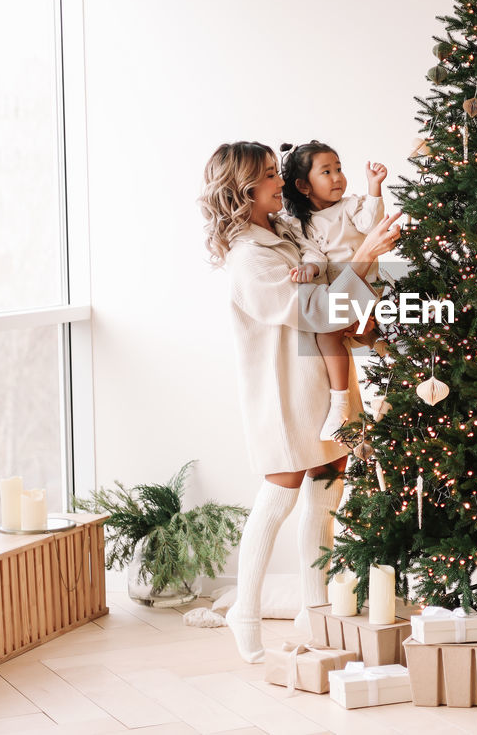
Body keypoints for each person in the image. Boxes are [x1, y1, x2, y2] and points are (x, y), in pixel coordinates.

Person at [198, 141, 402, 664]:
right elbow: (315, 311)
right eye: (270, 176)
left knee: (326, 490)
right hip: (286, 392)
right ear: (245, 191)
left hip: (327, 384)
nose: (280, 183)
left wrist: (358, 274)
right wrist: (364, 256)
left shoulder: (287, 231)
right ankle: (245, 611)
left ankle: (315, 611)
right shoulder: (249, 259)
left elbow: (335, 291)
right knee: (281, 492)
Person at [278, 140, 389, 441]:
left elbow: (371, 224)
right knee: (332, 334)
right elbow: (314, 255)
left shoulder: (351, 206)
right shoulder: (304, 225)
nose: (337, 176)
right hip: (342, 293)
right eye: (326, 172)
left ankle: (387, 370)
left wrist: (374, 188)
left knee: (343, 333)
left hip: (367, 288)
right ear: (303, 186)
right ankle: (340, 404)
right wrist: (309, 270)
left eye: (339, 168)